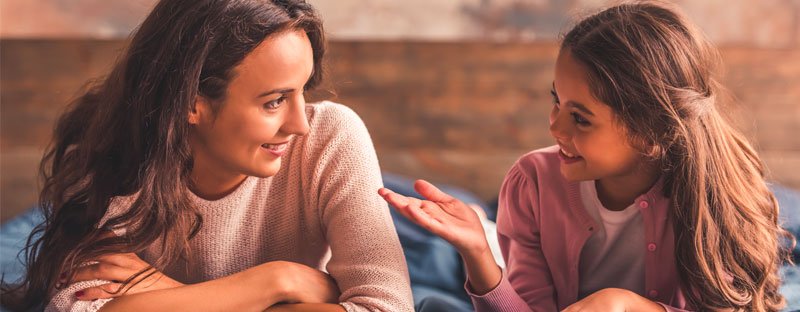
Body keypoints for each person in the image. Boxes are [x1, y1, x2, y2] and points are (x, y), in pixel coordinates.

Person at [379, 1, 794, 311]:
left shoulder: (714, 197)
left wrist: (628, 305)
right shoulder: (532, 183)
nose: (555, 127)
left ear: (652, 135)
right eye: (556, 102)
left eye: (580, 119)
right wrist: (478, 255)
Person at [2, 0, 413, 311]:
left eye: (303, 89)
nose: (299, 124)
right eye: (273, 102)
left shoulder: (330, 136)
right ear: (190, 104)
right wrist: (280, 282)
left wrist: (172, 295)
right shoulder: (113, 155)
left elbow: (388, 306)